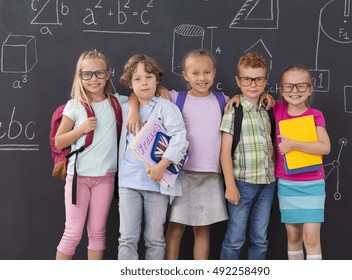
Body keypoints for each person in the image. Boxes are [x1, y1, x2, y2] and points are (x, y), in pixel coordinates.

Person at [127, 49, 232, 260]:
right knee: (175, 228)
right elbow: (139, 92)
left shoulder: (224, 100)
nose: (201, 78)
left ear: (214, 73)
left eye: (206, 72)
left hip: (211, 175)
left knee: (203, 230)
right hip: (181, 174)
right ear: (185, 75)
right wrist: (132, 110)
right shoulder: (175, 98)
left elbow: (243, 100)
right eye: (195, 73)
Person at [55, 50, 126, 260]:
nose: (93, 79)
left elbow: (139, 97)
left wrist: (161, 90)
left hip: (105, 178)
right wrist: (81, 129)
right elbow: (59, 141)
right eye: (87, 74)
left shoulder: (117, 103)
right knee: (73, 233)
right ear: (80, 76)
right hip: (78, 178)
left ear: (108, 74)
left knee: (97, 232)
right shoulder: (74, 106)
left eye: (99, 73)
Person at [117, 54, 188, 260]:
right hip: (128, 182)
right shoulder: (124, 108)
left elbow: (180, 138)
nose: (144, 83)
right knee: (127, 238)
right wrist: (132, 107)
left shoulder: (166, 107)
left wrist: (162, 165)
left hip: (156, 184)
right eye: (137, 79)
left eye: (148, 77)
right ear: (129, 83)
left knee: (155, 239)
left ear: (157, 79)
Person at [219, 51, 276, 260]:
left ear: (266, 80)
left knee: (260, 238)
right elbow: (224, 152)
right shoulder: (234, 111)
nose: (253, 84)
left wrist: (267, 97)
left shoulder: (269, 108)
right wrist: (230, 185)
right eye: (247, 79)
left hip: (267, 183)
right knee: (235, 238)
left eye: (258, 79)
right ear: (238, 80)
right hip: (242, 183)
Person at [274, 65, 330, 260]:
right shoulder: (277, 109)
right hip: (287, 184)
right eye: (289, 86)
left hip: (312, 184)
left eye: (301, 86)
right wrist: (238, 97)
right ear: (281, 89)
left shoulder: (315, 115)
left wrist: (293, 145)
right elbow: (254, 96)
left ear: (310, 89)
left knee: (312, 238)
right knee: (294, 236)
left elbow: (325, 147)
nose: (294, 91)